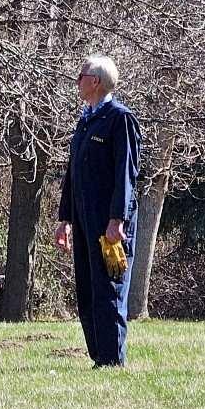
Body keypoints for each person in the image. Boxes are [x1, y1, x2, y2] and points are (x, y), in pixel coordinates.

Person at [53, 56, 141, 368]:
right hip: (83, 220)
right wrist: (65, 219)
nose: (76, 80)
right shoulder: (87, 120)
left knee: (108, 288)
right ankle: (98, 357)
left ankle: (111, 359)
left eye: (81, 75)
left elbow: (126, 174)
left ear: (96, 82)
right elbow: (72, 174)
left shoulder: (120, 119)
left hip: (109, 222)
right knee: (88, 289)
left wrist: (117, 220)